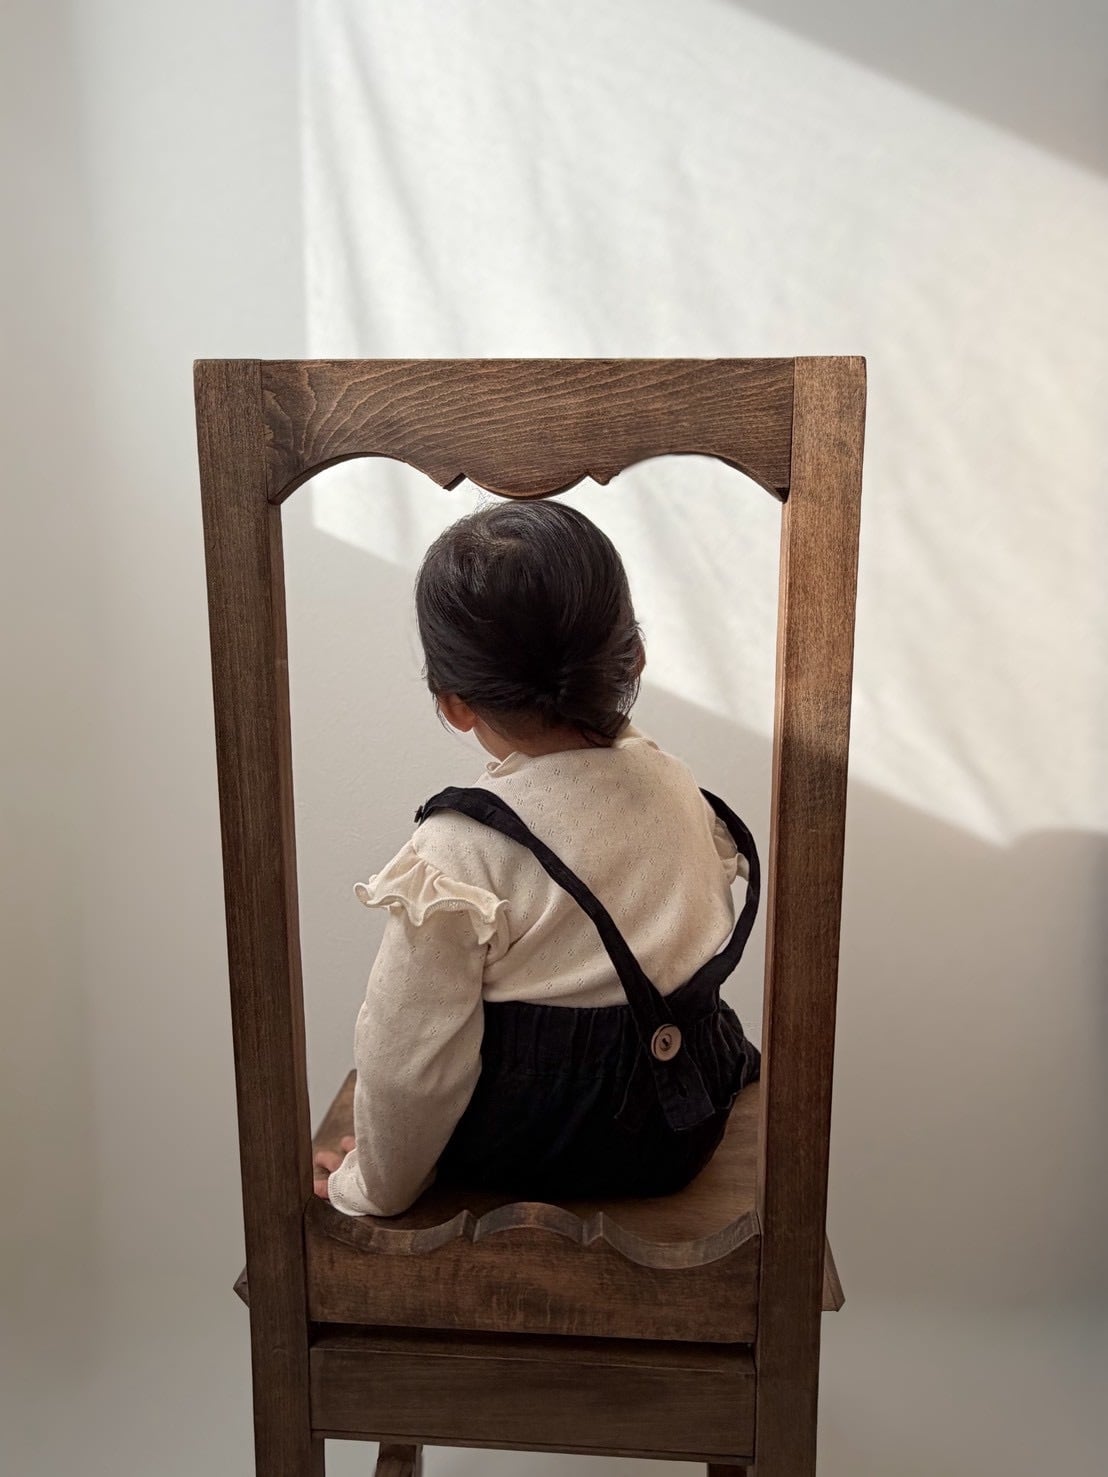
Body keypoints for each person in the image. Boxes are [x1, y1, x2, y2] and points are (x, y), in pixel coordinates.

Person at [314, 500, 761, 1216]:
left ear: (454, 703)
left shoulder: (459, 850)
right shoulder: (674, 784)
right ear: (634, 656)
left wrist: (373, 1182)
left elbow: (410, 1060)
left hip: (538, 1149)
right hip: (684, 1125)